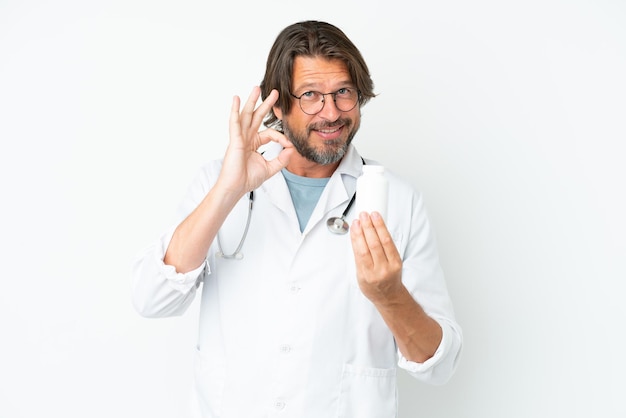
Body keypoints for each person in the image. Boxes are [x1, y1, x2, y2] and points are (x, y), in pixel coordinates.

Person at [131, 20, 462, 418]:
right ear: (279, 104)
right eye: (310, 95)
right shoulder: (217, 183)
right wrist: (227, 191)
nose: (332, 112)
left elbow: (439, 364)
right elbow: (152, 299)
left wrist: (388, 295)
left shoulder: (400, 201)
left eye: (344, 92)